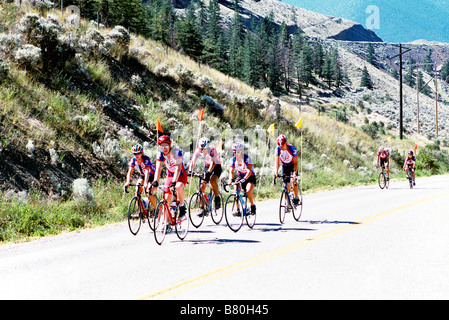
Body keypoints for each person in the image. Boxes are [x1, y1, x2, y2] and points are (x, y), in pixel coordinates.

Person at [152, 135, 188, 219]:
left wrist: (174, 182)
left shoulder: (177, 152)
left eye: (166, 146)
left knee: (178, 186)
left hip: (181, 175)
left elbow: (178, 169)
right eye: (162, 147)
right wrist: (155, 180)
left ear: (170, 145)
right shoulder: (160, 154)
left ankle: (182, 207)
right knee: (166, 199)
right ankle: (167, 222)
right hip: (170, 175)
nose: (164, 148)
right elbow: (158, 168)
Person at [188, 137, 222, 209]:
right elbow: (193, 160)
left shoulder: (212, 150)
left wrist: (208, 172)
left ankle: (217, 198)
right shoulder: (198, 150)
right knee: (201, 187)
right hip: (207, 166)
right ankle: (202, 207)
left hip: (216, 166)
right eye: (202, 149)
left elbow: (213, 162)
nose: (203, 150)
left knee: (212, 180)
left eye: (205, 149)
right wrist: (190, 171)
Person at [123, 144, 158, 212]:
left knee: (148, 192)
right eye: (135, 154)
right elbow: (130, 172)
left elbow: (147, 171)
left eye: (138, 153)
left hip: (152, 175)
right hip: (142, 175)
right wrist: (127, 182)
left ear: (142, 153)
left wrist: (145, 183)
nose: (137, 155)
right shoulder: (133, 160)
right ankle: (140, 211)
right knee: (137, 192)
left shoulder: (146, 158)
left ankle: (156, 209)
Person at [228, 141, 256, 215]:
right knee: (236, 192)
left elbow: (249, 171)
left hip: (250, 177)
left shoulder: (246, 158)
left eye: (237, 152)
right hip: (240, 176)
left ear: (241, 151)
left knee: (248, 191)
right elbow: (231, 171)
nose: (235, 154)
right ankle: (238, 209)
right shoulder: (233, 160)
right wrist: (230, 179)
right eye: (234, 152)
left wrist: (244, 179)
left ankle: (252, 205)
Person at [273, 134, 300, 205]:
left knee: (293, 180)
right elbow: (277, 162)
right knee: (286, 185)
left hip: (292, 165)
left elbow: (295, 163)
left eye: (282, 146)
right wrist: (276, 172)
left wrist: (294, 173)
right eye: (279, 146)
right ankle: (288, 203)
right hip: (284, 166)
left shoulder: (292, 149)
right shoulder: (277, 149)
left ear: (286, 143)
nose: (281, 147)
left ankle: (296, 197)